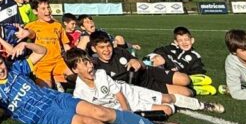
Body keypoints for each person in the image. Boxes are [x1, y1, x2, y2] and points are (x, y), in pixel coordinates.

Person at [0, 45, 183, 124]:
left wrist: (23, 44)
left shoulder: (16, 68)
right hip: (44, 116)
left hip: (56, 98)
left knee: (101, 112)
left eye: (0, 63)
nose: (0, 69)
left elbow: (41, 51)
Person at [66, 48, 223, 116]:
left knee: (168, 98)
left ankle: (202, 105)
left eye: (89, 62)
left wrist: (126, 113)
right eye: (85, 64)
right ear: (74, 69)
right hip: (127, 107)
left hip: (131, 92)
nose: (90, 66)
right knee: (167, 110)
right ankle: (171, 108)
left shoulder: (100, 74)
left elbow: (119, 94)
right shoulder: (80, 93)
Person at [89, 31, 192, 97]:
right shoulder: (96, 66)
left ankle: (191, 80)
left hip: (148, 72)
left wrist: (136, 61)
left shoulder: (120, 52)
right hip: (144, 85)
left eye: (108, 46)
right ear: (94, 49)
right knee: (187, 93)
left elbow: (142, 64)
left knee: (185, 80)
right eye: (102, 47)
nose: (107, 50)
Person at [148, 26, 219, 96]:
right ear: (176, 42)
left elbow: (198, 72)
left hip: (175, 77)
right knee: (151, 58)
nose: (184, 42)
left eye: (186, 39)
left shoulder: (194, 56)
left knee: (180, 88)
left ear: (192, 40)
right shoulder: (171, 48)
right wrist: (170, 64)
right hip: (160, 71)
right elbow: (158, 51)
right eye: (180, 40)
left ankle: (193, 86)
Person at [27, 0, 70, 90]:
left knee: (74, 76)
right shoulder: (31, 26)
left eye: (48, 7)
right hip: (42, 65)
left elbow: (66, 45)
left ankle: (57, 80)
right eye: (43, 8)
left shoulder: (57, 25)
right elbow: (28, 36)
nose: (47, 11)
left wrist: (71, 58)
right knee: (46, 90)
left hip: (59, 62)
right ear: (35, 11)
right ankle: (55, 82)